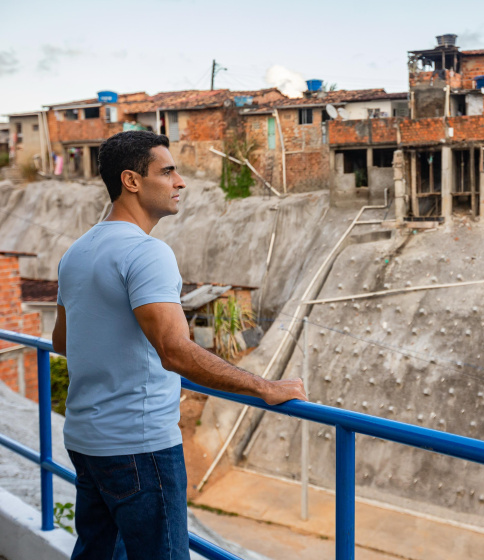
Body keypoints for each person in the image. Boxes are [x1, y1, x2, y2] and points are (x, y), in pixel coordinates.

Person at [51, 131, 305, 560]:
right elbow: (174, 350)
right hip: (139, 445)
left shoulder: (78, 251)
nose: (180, 182)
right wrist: (264, 386)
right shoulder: (147, 253)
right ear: (131, 180)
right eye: (167, 171)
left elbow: (61, 340)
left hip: (86, 439)